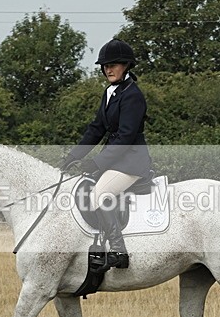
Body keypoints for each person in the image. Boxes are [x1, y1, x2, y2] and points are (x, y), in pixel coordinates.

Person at [60, 38, 152, 269]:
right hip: (116, 161)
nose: (108, 69)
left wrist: (97, 162)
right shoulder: (109, 93)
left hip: (131, 162)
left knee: (100, 194)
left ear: (126, 66)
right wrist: (74, 156)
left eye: (114, 64)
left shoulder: (133, 95)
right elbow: (97, 129)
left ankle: (119, 251)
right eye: (105, 65)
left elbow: (125, 137)